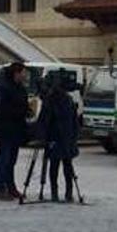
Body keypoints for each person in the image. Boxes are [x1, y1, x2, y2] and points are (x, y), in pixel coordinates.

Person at [38, 70, 80, 202]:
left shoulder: (56, 100)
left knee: (57, 166)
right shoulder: (66, 100)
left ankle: (57, 192)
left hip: (58, 137)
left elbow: (44, 121)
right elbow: (75, 122)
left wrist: (43, 137)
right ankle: (66, 193)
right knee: (64, 165)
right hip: (63, 137)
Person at [0, 62, 29, 201]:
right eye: (23, 72)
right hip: (5, 128)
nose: (25, 75)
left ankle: (11, 187)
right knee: (4, 159)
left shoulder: (19, 87)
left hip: (16, 128)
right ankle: (1, 188)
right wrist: (21, 111)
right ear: (16, 73)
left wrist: (27, 109)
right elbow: (2, 109)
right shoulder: (3, 87)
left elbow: (22, 103)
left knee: (12, 160)